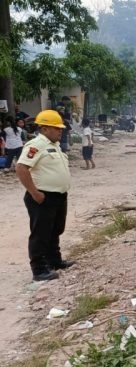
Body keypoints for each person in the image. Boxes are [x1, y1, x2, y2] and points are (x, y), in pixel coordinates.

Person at [16, 110, 74, 281]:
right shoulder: (36, 145)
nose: (60, 131)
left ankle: (54, 261)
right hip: (42, 197)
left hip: (58, 196)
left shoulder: (54, 144)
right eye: (57, 128)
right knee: (40, 233)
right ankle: (39, 269)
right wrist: (34, 192)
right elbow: (21, 168)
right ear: (45, 128)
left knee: (55, 229)